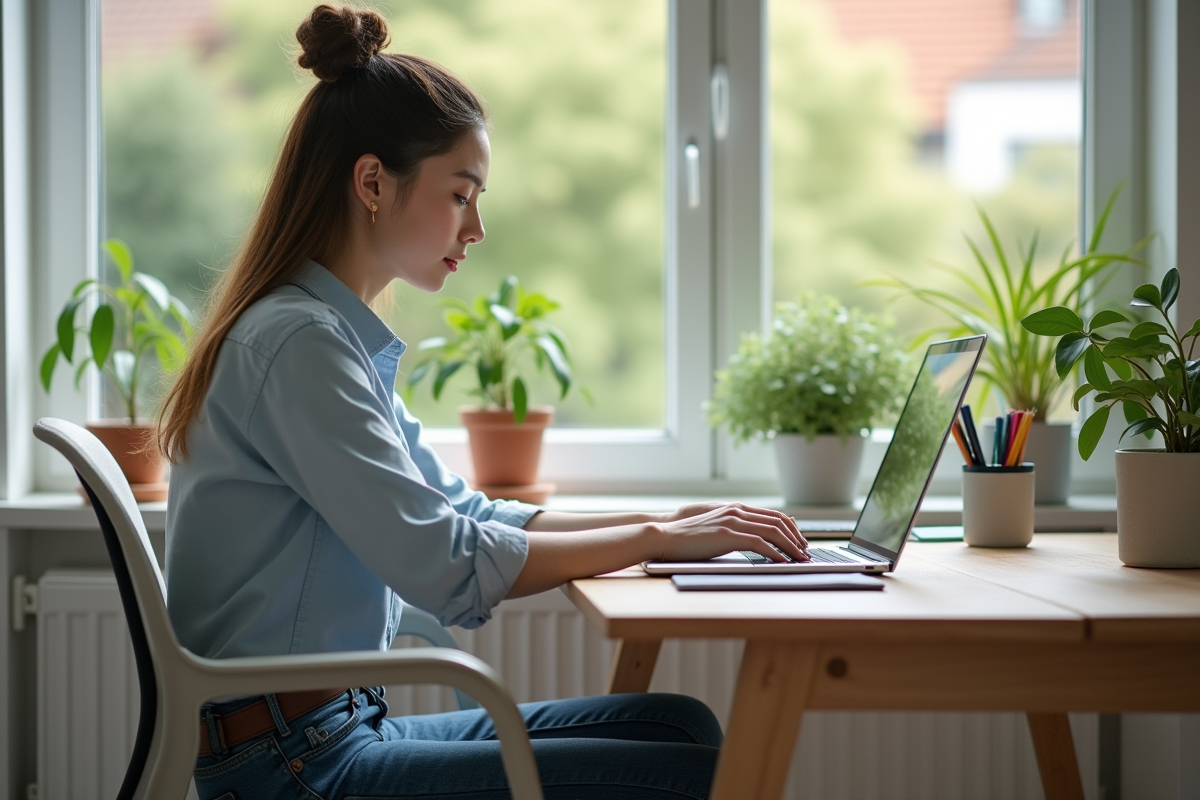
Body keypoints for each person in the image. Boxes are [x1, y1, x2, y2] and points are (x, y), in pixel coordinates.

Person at [158, 5, 809, 799]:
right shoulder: (299, 345)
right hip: (295, 764)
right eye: (461, 194)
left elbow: (462, 509)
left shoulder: (328, 335)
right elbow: (446, 563)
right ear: (372, 182)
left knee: (677, 726)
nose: (478, 228)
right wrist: (653, 539)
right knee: (699, 775)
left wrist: (669, 530)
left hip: (331, 728)